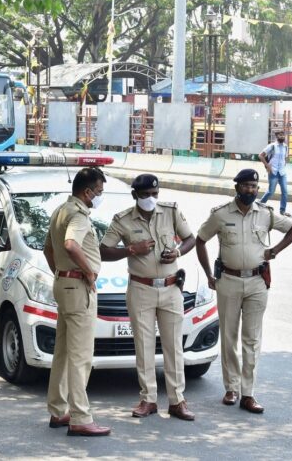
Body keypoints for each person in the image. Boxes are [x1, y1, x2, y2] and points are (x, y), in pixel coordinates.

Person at [196, 169, 292, 414]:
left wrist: (274, 251)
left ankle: (248, 393)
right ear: (237, 188)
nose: (250, 190)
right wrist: (209, 274)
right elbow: (200, 240)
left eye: (254, 186)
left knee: (252, 339)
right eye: (246, 186)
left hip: (257, 282)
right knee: (229, 336)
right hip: (228, 280)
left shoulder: (266, 214)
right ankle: (231, 388)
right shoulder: (221, 214)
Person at [99, 174, 196, 421]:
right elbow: (103, 250)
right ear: (135, 195)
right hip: (141, 289)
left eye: (155, 194)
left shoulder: (171, 212)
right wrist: (131, 249)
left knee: (174, 346)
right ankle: (148, 399)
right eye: (145, 195)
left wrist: (177, 252)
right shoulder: (122, 219)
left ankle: (177, 400)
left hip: (171, 288)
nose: (151, 199)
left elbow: (190, 239)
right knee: (144, 345)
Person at [44, 167, 111, 436]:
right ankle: (80, 417)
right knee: (81, 356)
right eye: (99, 192)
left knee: (62, 352)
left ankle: (58, 410)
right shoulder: (78, 215)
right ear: (87, 192)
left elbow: (48, 249)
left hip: (64, 284)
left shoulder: (60, 210)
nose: (100, 196)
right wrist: (88, 272)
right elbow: (71, 245)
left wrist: (62, 274)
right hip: (78, 288)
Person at [258, 130, 291, 216]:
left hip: (282, 172)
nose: (282, 137)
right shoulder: (272, 146)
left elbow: (285, 158)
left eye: (283, 135)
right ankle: (260, 204)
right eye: (280, 135)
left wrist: (284, 165)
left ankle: (282, 210)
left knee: (285, 192)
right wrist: (267, 166)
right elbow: (260, 155)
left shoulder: (285, 147)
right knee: (271, 191)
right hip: (273, 172)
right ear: (276, 136)